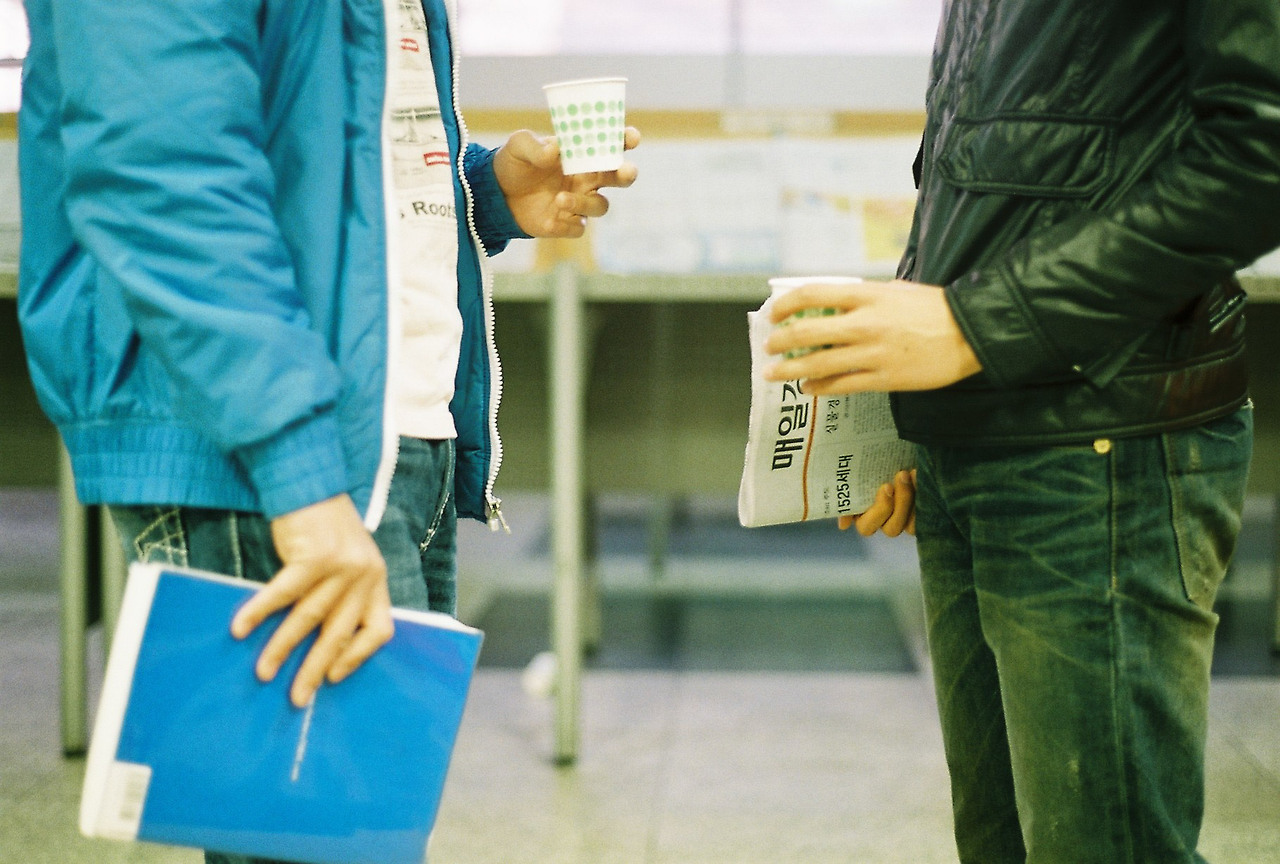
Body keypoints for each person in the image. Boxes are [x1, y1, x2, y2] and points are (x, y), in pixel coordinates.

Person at [18, 2, 635, 860]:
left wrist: (482, 192)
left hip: (388, 429)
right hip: (269, 439)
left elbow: (336, 140)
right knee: (329, 846)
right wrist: (299, 474)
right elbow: (164, 170)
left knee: (365, 835)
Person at [764, 2, 1280, 862]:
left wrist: (975, 328)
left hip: (1099, 445)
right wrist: (911, 413)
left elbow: (1260, 155)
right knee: (999, 842)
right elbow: (979, 174)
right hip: (976, 435)